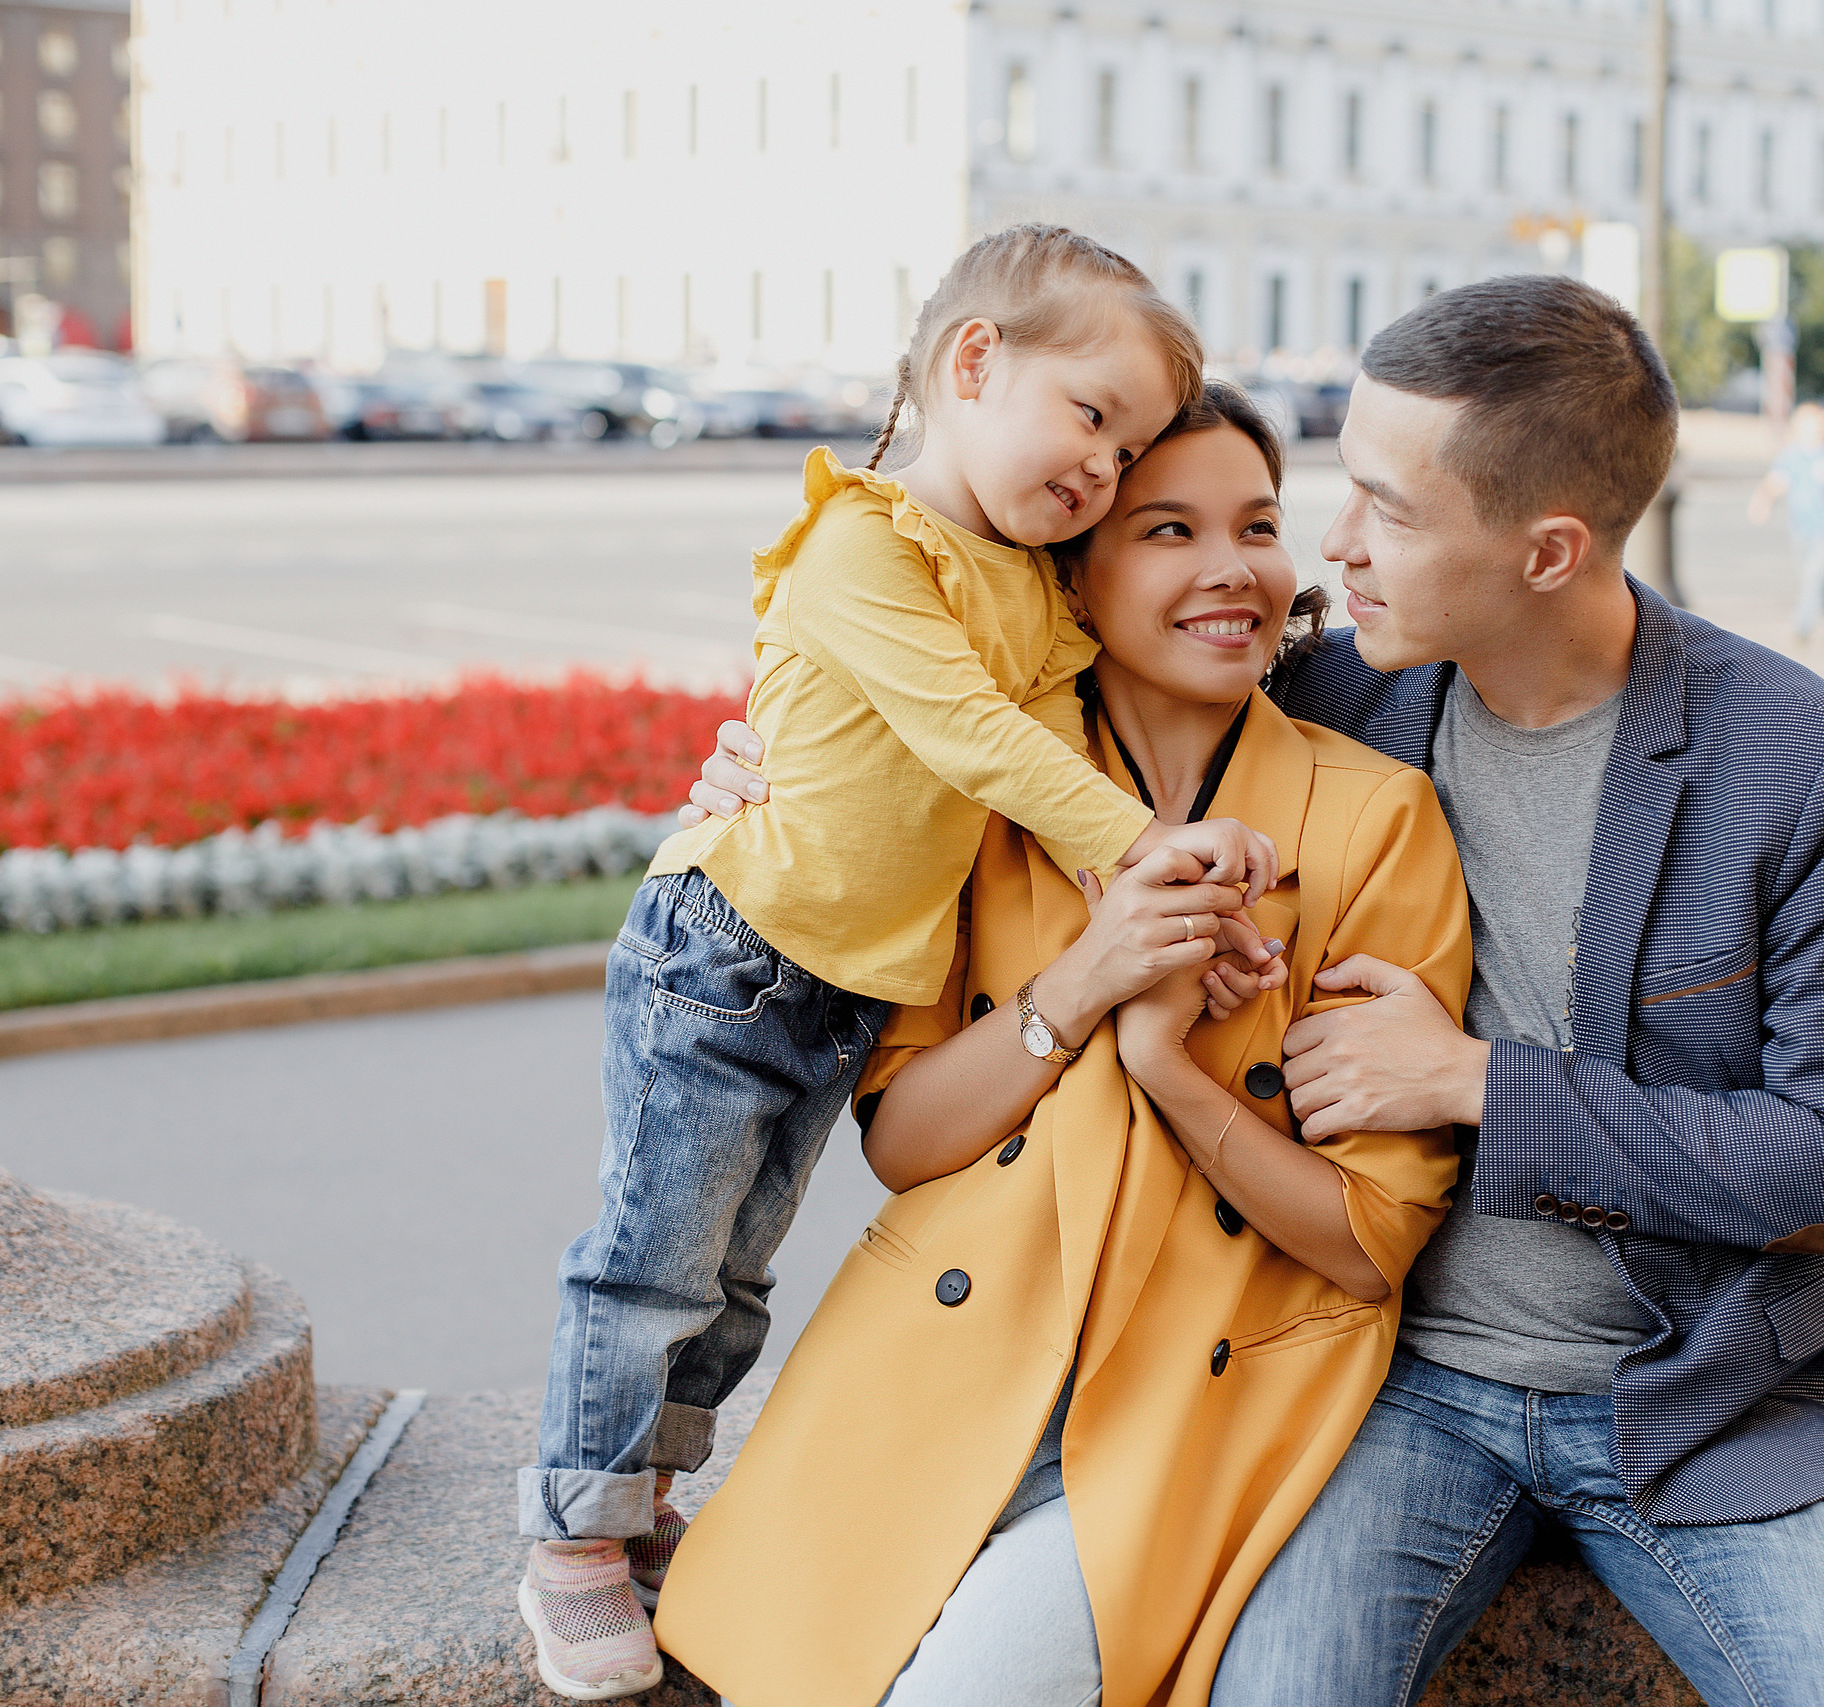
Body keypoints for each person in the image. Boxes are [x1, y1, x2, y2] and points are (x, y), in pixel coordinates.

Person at [687, 273, 1824, 1706]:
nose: (1326, 555)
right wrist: (775, 772)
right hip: (1400, 1392)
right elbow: (1098, 624)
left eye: (1388, 512)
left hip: (1706, 1401)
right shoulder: (1338, 690)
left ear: (1547, 550)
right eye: (1338, 493)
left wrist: (1477, 1081)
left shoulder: (1799, 759)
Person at [514, 226, 1285, 1702]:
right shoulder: (863, 543)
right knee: (649, 1259)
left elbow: (1062, 772)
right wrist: (1153, 852)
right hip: (730, 947)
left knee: (733, 1276)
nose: (1104, 471)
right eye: (1092, 417)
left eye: (1126, 452)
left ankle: (643, 1502)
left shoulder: (1031, 593)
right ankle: (571, 1534)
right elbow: (977, 742)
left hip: (841, 979)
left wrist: (1202, 908)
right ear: (974, 362)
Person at [652, 384, 1474, 1707]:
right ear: (1072, 582)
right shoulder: (975, 792)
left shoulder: (1374, 817)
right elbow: (910, 1142)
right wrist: (1086, 982)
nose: (1232, 567)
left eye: (1258, 524)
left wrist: (1166, 1066)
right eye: (1166, 529)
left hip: (1192, 1408)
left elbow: (1370, 1238)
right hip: (941, 1373)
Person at [1748, 400, 1824, 642]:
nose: (1813, 429)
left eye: (1816, 424)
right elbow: (1776, 482)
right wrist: (1761, 502)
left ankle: (1801, 627)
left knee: (1813, 578)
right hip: (1800, 526)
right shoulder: (1792, 455)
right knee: (1820, 578)